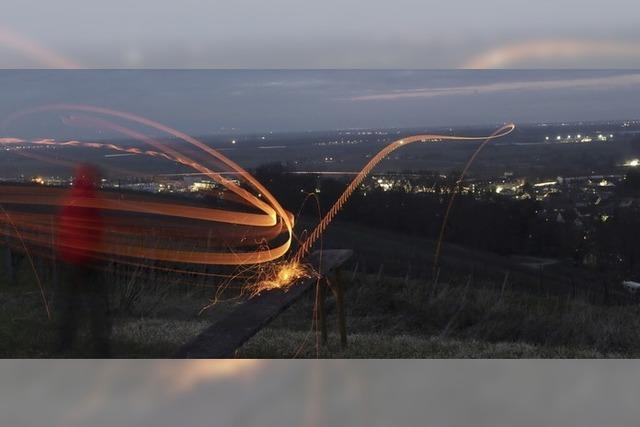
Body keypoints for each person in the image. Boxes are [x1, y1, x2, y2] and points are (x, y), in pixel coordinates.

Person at [56, 164, 111, 356]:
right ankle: (100, 349)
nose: (99, 181)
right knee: (96, 306)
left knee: (72, 305)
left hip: (71, 258)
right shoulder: (87, 198)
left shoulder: (73, 196)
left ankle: (65, 345)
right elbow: (86, 230)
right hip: (85, 260)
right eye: (96, 177)